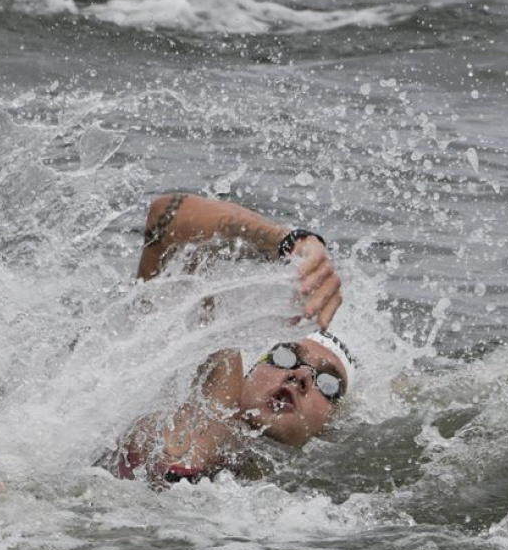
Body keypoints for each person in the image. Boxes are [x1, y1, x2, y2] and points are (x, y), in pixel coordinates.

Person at [99, 192, 356, 485]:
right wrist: (291, 242)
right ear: (251, 369)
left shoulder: (287, 486)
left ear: (331, 424)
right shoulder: (209, 395)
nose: (299, 375)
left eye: (328, 383)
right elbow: (165, 217)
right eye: (285, 355)